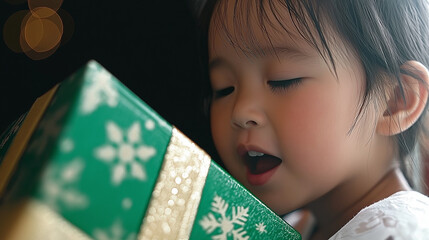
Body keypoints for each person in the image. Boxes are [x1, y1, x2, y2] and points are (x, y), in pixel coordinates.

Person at [197, 0, 429, 239]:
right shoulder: (290, 227)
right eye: (224, 88)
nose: (240, 112)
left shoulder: (400, 231)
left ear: (395, 101)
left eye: (282, 80)